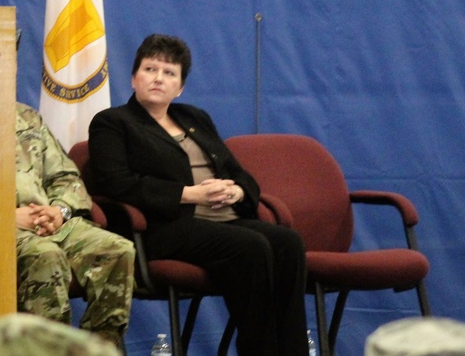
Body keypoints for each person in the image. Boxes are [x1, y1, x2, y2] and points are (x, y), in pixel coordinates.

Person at [88, 33, 308, 356]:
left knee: (289, 243)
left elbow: (239, 172)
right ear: (134, 77)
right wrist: (189, 195)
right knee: (253, 247)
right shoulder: (113, 123)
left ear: (180, 87)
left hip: (224, 220)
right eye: (150, 69)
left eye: (169, 73)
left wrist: (236, 191)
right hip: (163, 228)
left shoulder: (194, 118)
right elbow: (115, 183)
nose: (159, 79)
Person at [15, 102, 135, 355]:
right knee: (46, 255)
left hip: (50, 219)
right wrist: (6, 218)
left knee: (118, 250)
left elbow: (65, 177)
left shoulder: (26, 116)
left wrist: (60, 211)